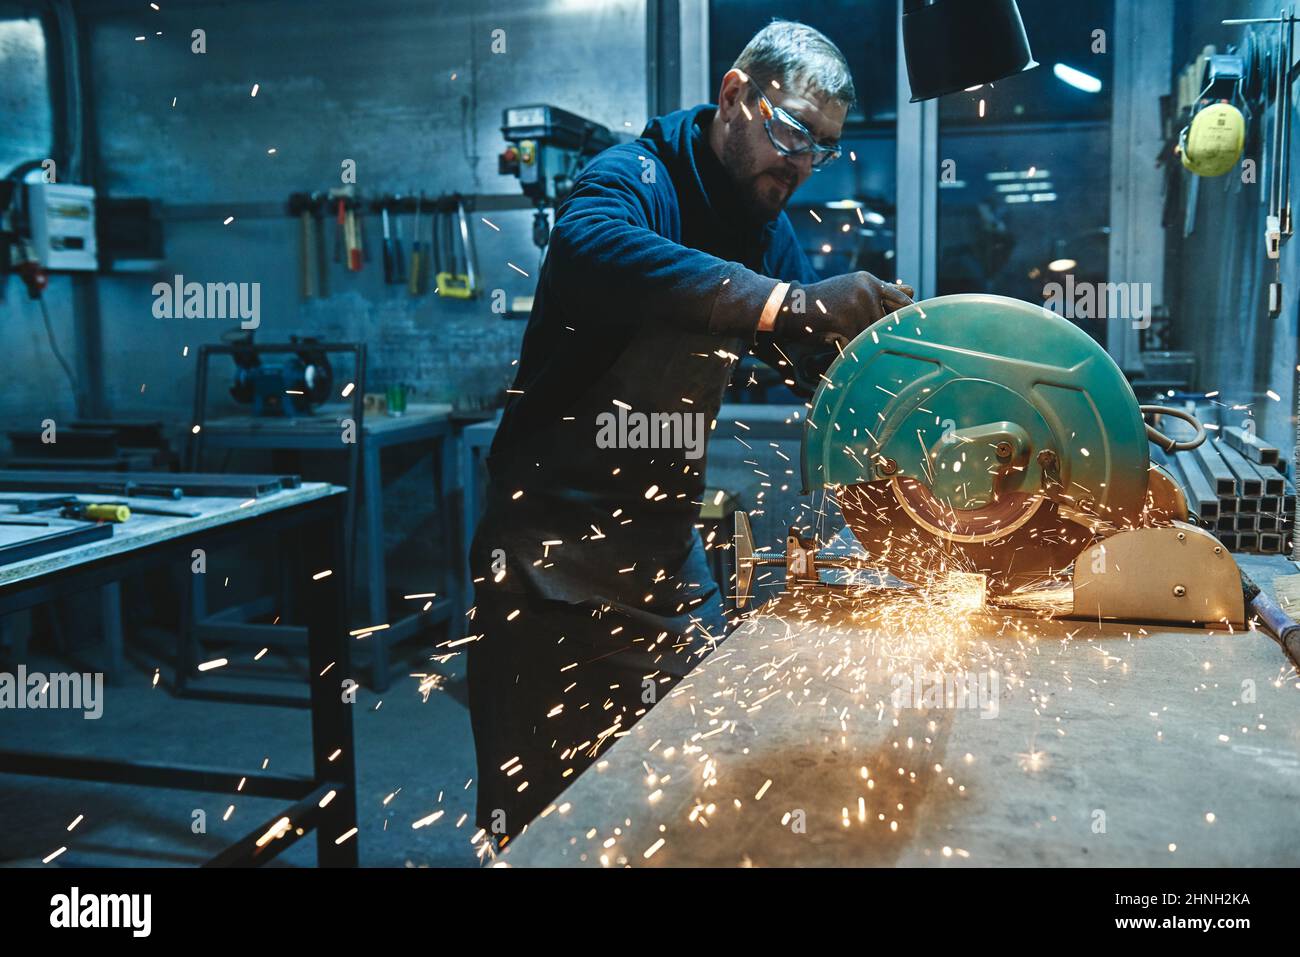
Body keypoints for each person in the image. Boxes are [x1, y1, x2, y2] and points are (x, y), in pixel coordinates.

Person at [466, 18, 913, 845]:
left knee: (682, 790)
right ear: (735, 95)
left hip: (668, 560)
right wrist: (790, 302)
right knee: (542, 826)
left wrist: (888, 381)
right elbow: (590, 247)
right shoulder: (633, 177)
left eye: (823, 147)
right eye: (791, 132)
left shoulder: (764, 223)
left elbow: (800, 351)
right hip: (551, 562)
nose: (802, 162)